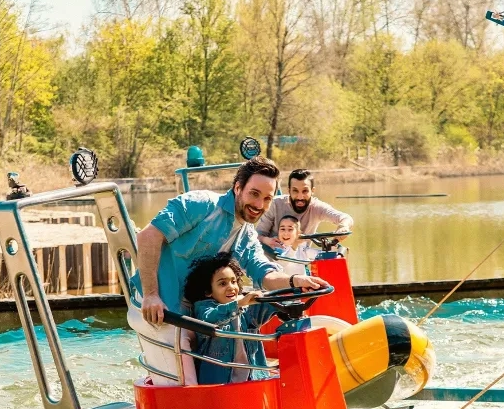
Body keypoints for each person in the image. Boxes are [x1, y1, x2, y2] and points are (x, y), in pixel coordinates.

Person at [132, 155, 329, 385]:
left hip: (200, 315)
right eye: (254, 194)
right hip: (161, 309)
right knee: (186, 384)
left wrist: (296, 281)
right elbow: (147, 237)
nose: (259, 205)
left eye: (267, 199)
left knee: (231, 346)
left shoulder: (247, 235)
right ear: (238, 188)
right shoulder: (201, 204)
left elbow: (266, 274)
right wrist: (151, 295)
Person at [184, 253, 276, 385]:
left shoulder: (246, 309)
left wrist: (294, 294)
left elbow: (271, 305)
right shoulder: (203, 309)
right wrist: (238, 304)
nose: (231, 287)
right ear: (208, 291)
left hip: (253, 381)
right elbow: (209, 319)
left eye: (233, 281)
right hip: (219, 385)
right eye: (222, 283)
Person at [256, 169, 354, 248]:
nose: (300, 197)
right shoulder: (274, 204)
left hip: (300, 260)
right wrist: (267, 241)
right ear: (288, 190)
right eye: (295, 191)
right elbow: (257, 236)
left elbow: (346, 218)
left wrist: (344, 226)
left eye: (305, 191)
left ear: (312, 191)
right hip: (273, 260)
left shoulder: (317, 207)